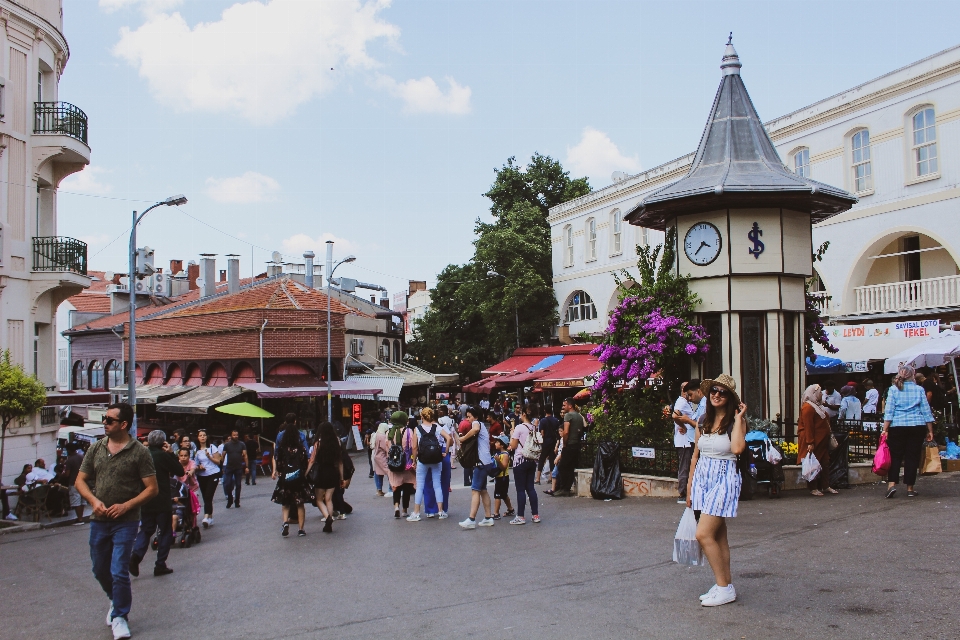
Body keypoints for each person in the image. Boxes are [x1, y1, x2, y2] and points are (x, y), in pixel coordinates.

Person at [74, 403, 158, 640]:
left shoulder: (140, 452)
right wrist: (92, 500)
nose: (104, 423)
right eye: (104, 418)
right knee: (99, 568)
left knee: (119, 570)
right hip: (99, 519)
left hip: (126, 520)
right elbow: (80, 481)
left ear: (123, 425)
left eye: (109, 420)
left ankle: (120, 616)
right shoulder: (96, 448)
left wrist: (126, 506)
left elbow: (152, 489)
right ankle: (115, 599)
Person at [685, 375, 747, 608]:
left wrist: (740, 418)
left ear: (729, 397)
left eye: (722, 392)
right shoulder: (703, 420)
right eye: (713, 391)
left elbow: (738, 448)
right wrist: (689, 487)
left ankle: (723, 587)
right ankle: (725, 585)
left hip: (724, 478)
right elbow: (695, 456)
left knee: (703, 534)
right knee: (719, 536)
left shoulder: (734, 422)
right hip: (703, 478)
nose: (716, 394)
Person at [130, 430, 185, 579]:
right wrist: (172, 453)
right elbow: (180, 471)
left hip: (146, 499)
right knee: (165, 531)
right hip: (161, 499)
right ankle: (160, 564)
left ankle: (136, 555)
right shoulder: (163, 456)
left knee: (146, 529)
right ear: (163, 443)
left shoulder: (142, 455)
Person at [883, 364, 935, 499]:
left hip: (897, 425)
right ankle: (910, 488)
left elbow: (889, 411)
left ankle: (891, 484)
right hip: (916, 425)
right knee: (912, 457)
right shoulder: (919, 390)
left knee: (895, 456)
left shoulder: (893, 390)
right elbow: (926, 410)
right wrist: (930, 430)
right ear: (913, 375)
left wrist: (885, 428)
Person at [407, 407, 450, 521]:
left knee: (420, 485)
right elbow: (449, 438)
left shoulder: (417, 429)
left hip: (423, 460)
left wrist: (413, 460)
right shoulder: (437, 427)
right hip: (436, 459)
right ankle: (441, 511)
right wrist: (444, 452)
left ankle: (416, 513)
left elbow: (415, 447)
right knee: (437, 484)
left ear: (422, 417)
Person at [272, 423, 313, 537]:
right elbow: (305, 462)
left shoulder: (281, 449)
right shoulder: (301, 449)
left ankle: (285, 522)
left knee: (285, 504)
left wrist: (279, 472)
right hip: (299, 477)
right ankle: (301, 529)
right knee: (300, 504)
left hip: (285, 477)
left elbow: (278, 462)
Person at [458, 407, 496, 529]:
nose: (468, 419)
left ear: (475, 416)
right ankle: (488, 517)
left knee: (475, 490)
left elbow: (475, 429)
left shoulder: (476, 423)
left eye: (469, 416)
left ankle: (471, 519)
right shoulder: (483, 426)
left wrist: (463, 438)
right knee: (483, 490)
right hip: (486, 461)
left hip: (481, 462)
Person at [797, 385, 837, 497]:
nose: (821, 394)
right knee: (813, 464)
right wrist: (810, 442)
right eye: (819, 392)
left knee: (825, 463)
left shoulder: (817, 406)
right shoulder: (808, 407)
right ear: (813, 394)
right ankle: (813, 487)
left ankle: (825, 485)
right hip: (814, 441)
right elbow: (808, 426)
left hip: (821, 441)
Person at [306, 422, 343, 533]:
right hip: (333, 472)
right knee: (328, 499)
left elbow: (312, 460)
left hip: (321, 473)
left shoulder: (318, 444)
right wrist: (341, 477)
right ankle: (329, 519)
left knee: (318, 499)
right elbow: (340, 462)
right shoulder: (336, 442)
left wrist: (306, 473)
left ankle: (328, 517)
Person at [673, 380, 704, 504]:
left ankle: (688, 493)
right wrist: (684, 425)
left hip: (691, 441)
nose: (689, 397)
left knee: (689, 466)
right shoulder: (682, 401)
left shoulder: (698, 403)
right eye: (688, 394)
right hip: (686, 440)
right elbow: (675, 416)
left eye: (691, 394)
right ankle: (683, 493)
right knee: (686, 467)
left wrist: (686, 423)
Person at [508, 411, 540, 524]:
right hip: (532, 460)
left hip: (520, 460)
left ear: (525, 414)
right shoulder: (534, 427)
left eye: (521, 413)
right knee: (530, 488)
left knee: (520, 489)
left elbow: (513, 445)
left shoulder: (519, 427)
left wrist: (512, 434)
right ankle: (535, 515)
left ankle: (520, 516)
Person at [382, 411, 415, 519]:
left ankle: (396, 507)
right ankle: (405, 510)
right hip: (406, 464)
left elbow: (387, 448)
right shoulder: (408, 431)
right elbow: (412, 446)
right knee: (406, 487)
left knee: (396, 486)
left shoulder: (388, 433)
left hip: (393, 464)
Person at [555, 398, 584, 497]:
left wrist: (565, 444)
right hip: (577, 444)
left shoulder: (568, 415)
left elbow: (566, 431)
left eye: (564, 405)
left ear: (570, 406)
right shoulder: (579, 416)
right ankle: (567, 487)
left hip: (570, 444)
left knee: (562, 466)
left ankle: (564, 488)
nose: (563, 407)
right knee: (570, 467)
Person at [194, 430, 222, 528]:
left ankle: (206, 516)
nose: (202, 437)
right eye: (200, 435)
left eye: (204, 435)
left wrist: (209, 456)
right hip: (202, 475)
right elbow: (195, 464)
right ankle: (210, 517)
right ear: (198, 437)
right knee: (206, 497)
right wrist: (199, 467)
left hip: (213, 473)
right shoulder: (196, 450)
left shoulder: (212, 447)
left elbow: (218, 461)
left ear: (207, 437)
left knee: (209, 496)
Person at [221, 430, 248, 509]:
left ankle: (237, 501)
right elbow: (223, 455)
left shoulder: (242, 444)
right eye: (234, 435)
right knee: (227, 484)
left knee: (238, 485)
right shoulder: (227, 445)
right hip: (229, 467)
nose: (235, 436)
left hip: (238, 467)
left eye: (237, 435)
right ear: (231, 435)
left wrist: (246, 466)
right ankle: (230, 499)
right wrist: (221, 466)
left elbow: (245, 455)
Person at [491, 435, 515, 519]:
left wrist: (498, 460)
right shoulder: (499, 453)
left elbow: (504, 467)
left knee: (497, 495)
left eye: (497, 442)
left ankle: (496, 513)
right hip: (500, 477)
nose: (495, 443)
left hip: (503, 478)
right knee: (504, 494)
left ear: (502, 445)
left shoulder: (505, 455)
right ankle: (510, 509)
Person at [536, 407, 560, 484]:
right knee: (552, 460)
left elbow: (542, 433)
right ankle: (551, 477)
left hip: (545, 442)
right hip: (553, 442)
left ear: (545, 410)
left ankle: (538, 479)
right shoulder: (556, 420)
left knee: (541, 459)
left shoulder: (542, 421)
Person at [372, 420, 390, 496]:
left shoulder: (375, 434)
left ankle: (379, 489)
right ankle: (391, 489)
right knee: (389, 472)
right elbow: (385, 447)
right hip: (382, 457)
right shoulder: (382, 436)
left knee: (378, 473)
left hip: (376, 456)